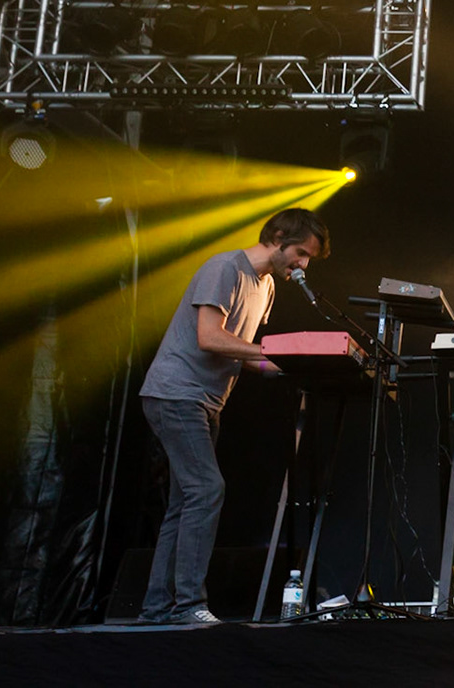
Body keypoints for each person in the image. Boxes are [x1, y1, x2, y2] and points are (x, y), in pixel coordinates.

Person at [137, 207, 328, 625]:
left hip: (206, 400)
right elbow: (210, 338)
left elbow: (239, 352)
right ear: (277, 236)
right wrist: (271, 353)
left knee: (184, 502)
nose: (303, 265)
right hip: (176, 394)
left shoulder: (267, 288)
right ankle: (188, 605)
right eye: (300, 253)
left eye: (308, 258)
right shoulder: (223, 267)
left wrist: (294, 366)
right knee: (206, 490)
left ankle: (156, 608)